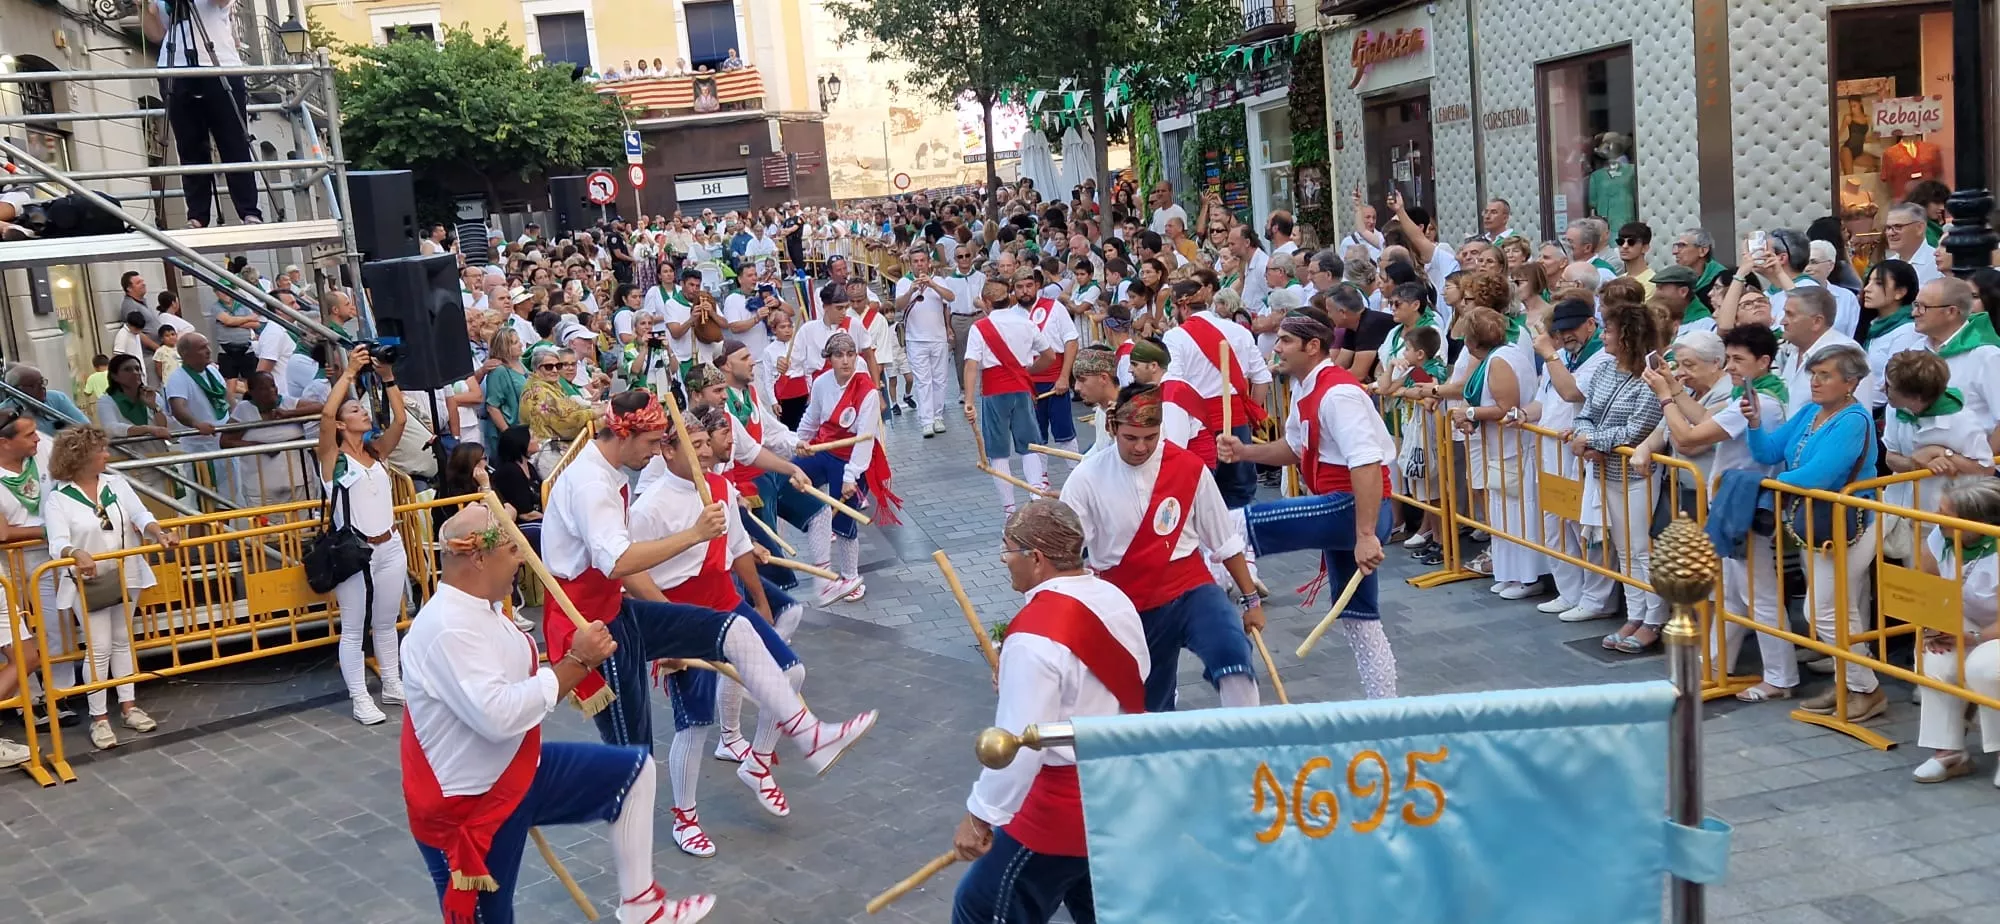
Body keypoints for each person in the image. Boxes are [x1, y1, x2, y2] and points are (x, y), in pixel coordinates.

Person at [400, 504, 717, 924]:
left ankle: (643, 906)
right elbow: (498, 716)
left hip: (517, 774)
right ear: (477, 558)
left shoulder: (488, 609)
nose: (521, 559)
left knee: (635, 773)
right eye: (512, 548)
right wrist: (577, 663)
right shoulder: (447, 628)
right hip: (470, 807)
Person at [540, 390, 877, 767]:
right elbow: (618, 561)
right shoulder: (592, 484)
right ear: (624, 434)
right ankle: (650, 810)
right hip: (592, 625)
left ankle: (809, 733)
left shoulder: (607, 473)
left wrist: (674, 624)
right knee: (633, 760)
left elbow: (624, 567)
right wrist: (695, 535)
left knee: (736, 629)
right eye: (652, 442)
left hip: (618, 609)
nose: (653, 452)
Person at [949, 500, 1146, 924]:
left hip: (1061, 813)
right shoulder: (1115, 599)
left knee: (980, 908)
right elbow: (1135, 674)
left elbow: (1017, 746)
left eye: (1008, 551)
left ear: (1035, 559)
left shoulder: (1034, 636)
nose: (1006, 563)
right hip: (1120, 795)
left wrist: (980, 817)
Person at [628, 405, 802, 857]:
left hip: (725, 603)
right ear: (667, 450)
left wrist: (760, 603)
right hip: (680, 611)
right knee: (694, 723)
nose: (706, 453)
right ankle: (684, 817)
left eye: (707, 444)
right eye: (695, 445)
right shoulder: (648, 507)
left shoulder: (721, 488)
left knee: (791, 674)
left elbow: (738, 547)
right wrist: (665, 634)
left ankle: (758, 762)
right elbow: (630, 574)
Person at [1216, 308, 1399, 699]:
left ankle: (1203, 613)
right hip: (1346, 509)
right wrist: (1245, 452)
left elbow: (1366, 463)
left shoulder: (1338, 393)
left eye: (1284, 340)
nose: (1275, 347)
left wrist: (1365, 534)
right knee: (1359, 619)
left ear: (1313, 347)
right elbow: (1296, 449)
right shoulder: (1305, 387)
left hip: (1353, 507)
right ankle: (1386, 708)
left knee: (1230, 524)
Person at [1059, 384, 1264, 712]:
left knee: (1233, 656)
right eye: (1131, 438)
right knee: (1150, 706)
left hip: (1191, 589)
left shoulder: (1188, 468)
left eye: (1150, 437)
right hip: (1129, 604)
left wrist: (1251, 598)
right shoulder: (1085, 480)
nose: (1141, 447)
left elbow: (1224, 539)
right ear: (1113, 429)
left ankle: (1245, 743)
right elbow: (1065, 556)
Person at [1745, 345, 1884, 722]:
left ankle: (1866, 689)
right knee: (1836, 609)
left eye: (1825, 375)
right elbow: (1769, 451)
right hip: (1816, 522)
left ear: (1851, 382)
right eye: (1813, 374)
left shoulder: (1855, 419)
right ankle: (1853, 684)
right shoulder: (1809, 412)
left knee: (1822, 610)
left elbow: (1819, 475)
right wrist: (1755, 422)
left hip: (1851, 522)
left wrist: (1763, 485)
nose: (1816, 382)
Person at [45, 426, 176, 749]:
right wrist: (74, 553)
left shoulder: (115, 483)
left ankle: (129, 706)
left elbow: (139, 514)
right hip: (87, 582)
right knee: (98, 646)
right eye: (100, 450)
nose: (107, 454)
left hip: (126, 571)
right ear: (81, 457)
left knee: (122, 640)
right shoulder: (58, 499)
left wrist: (158, 533)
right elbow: (57, 542)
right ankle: (99, 717)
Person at [315, 345, 412, 725]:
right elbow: (325, 413)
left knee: (386, 621)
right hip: (354, 550)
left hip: (389, 544)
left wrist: (387, 377)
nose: (362, 413)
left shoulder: (375, 451)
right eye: (354, 410)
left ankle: (392, 681)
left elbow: (400, 421)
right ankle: (359, 696)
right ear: (341, 425)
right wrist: (350, 374)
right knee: (354, 627)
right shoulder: (332, 457)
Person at [1568, 301, 1668, 653]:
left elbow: (1638, 427)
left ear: (1627, 335)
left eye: (1609, 330)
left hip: (1639, 473)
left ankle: (1654, 619)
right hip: (1605, 470)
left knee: (1642, 548)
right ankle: (1635, 613)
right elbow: (1586, 413)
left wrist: (1591, 441)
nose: (1604, 336)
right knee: (1624, 549)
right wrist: (1588, 439)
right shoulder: (1604, 369)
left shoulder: (1652, 374)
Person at [796, 333, 900, 604]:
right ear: (829, 359)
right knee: (790, 476)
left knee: (844, 519)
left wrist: (851, 476)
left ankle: (850, 576)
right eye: (839, 355)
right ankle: (819, 540)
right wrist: (796, 444)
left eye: (851, 354)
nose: (846, 361)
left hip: (853, 458)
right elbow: (811, 418)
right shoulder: (821, 383)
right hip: (824, 449)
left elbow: (865, 438)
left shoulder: (867, 391)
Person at [140, 0, 263, 228]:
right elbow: (156, 35)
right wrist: (146, 8)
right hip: (175, 68)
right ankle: (197, 215)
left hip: (219, 64)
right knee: (189, 145)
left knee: (233, 141)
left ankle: (249, 211)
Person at [1909, 480, 2000, 785]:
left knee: (1984, 669)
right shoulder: (1942, 534)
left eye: (1946, 513)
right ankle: (1949, 752)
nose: (1937, 517)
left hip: (1993, 630)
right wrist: (1932, 625)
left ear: (1979, 523)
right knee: (1935, 658)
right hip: (1970, 621)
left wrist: (1972, 638)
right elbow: (1927, 582)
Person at [964, 276, 1059, 513]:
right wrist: (1027, 372)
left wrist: (968, 400)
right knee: (1030, 446)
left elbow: (971, 365)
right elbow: (1049, 356)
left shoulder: (980, 328)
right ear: (1010, 298)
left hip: (994, 392)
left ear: (986, 302)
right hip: (1021, 390)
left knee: (998, 452)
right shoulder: (1026, 323)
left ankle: (1009, 508)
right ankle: (1037, 495)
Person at [0, 409, 62, 747]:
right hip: (8, 569)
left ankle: (57, 691)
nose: (37, 439)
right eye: (28, 435)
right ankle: (30, 701)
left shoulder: (44, 450)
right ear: (4, 442)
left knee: (52, 627)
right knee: (20, 647)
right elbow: (2, 534)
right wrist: (50, 528)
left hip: (46, 560)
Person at [898, 248, 957, 436]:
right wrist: (911, 291)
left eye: (923, 260)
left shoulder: (938, 280)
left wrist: (932, 285)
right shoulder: (904, 282)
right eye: (915, 261)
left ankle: (938, 416)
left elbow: (950, 298)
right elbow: (898, 306)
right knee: (923, 381)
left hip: (938, 338)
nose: (920, 264)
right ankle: (926, 421)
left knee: (940, 379)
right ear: (910, 263)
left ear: (928, 262)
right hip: (915, 339)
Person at [1, 365, 87, 435]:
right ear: (17, 389)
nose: (42, 387)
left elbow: (85, 427)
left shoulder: (57, 398)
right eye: (33, 385)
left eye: (42, 382)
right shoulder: (4, 412)